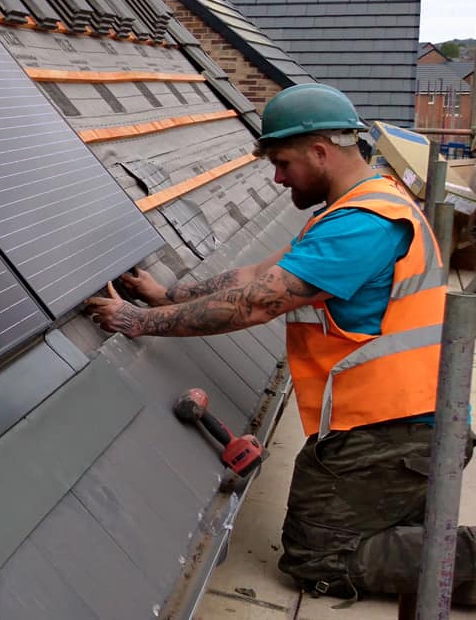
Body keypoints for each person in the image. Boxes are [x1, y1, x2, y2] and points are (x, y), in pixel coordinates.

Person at [85, 83, 476, 603]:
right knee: (349, 532)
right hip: (396, 423)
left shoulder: (363, 226)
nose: (277, 176)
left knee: (317, 558)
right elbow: (254, 276)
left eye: (284, 162)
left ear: (320, 151)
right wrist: (165, 294)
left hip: (396, 433)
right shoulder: (362, 205)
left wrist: (137, 321)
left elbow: (257, 304)